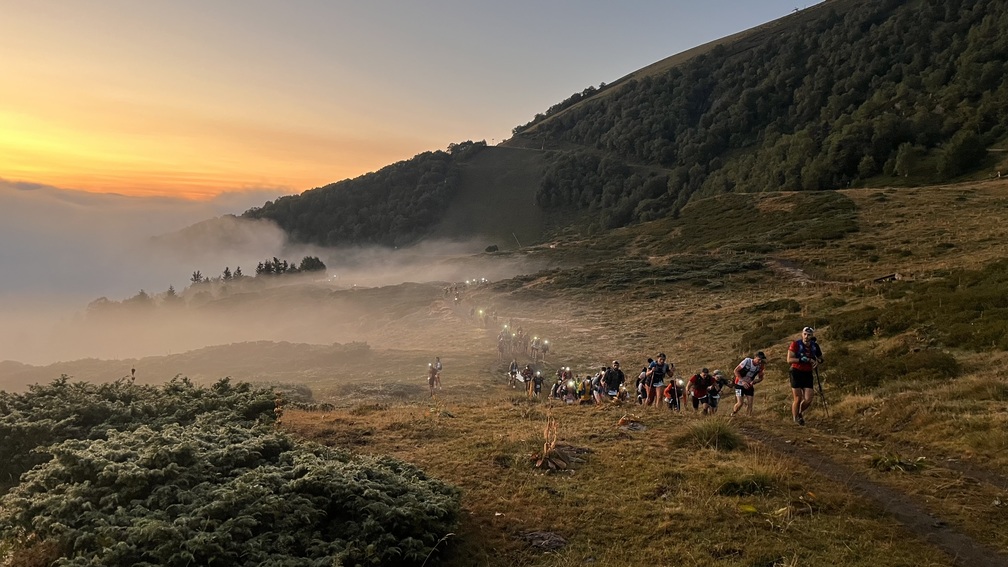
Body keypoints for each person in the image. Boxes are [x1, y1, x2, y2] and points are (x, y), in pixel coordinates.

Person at [788, 326, 824, 425]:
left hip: (808, 373)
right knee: (798, 398)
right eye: (805, 334)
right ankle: (795, 420)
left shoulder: (815, 346)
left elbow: (821, 358)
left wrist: (817, 361)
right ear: (802, 334)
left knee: (808, 399)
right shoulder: (795, 344)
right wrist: (805, 360)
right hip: (796, 371)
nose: (806, 336)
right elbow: (789, 360)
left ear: (812, 336)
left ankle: (799, 413)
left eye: (809, 335)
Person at [730, 352, 766, 417]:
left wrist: (755, 381)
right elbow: (735, 371)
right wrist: (742, 381)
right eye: (758, 359)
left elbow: (761, 378)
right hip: (739, 384)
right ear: (755, 357)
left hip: (749, 385)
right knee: (740, 403)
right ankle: (734, 413)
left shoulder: (761, 366)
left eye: (761, 360)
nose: (760, 361)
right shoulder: (747, 361)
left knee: (750, 403)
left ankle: (748, 418)